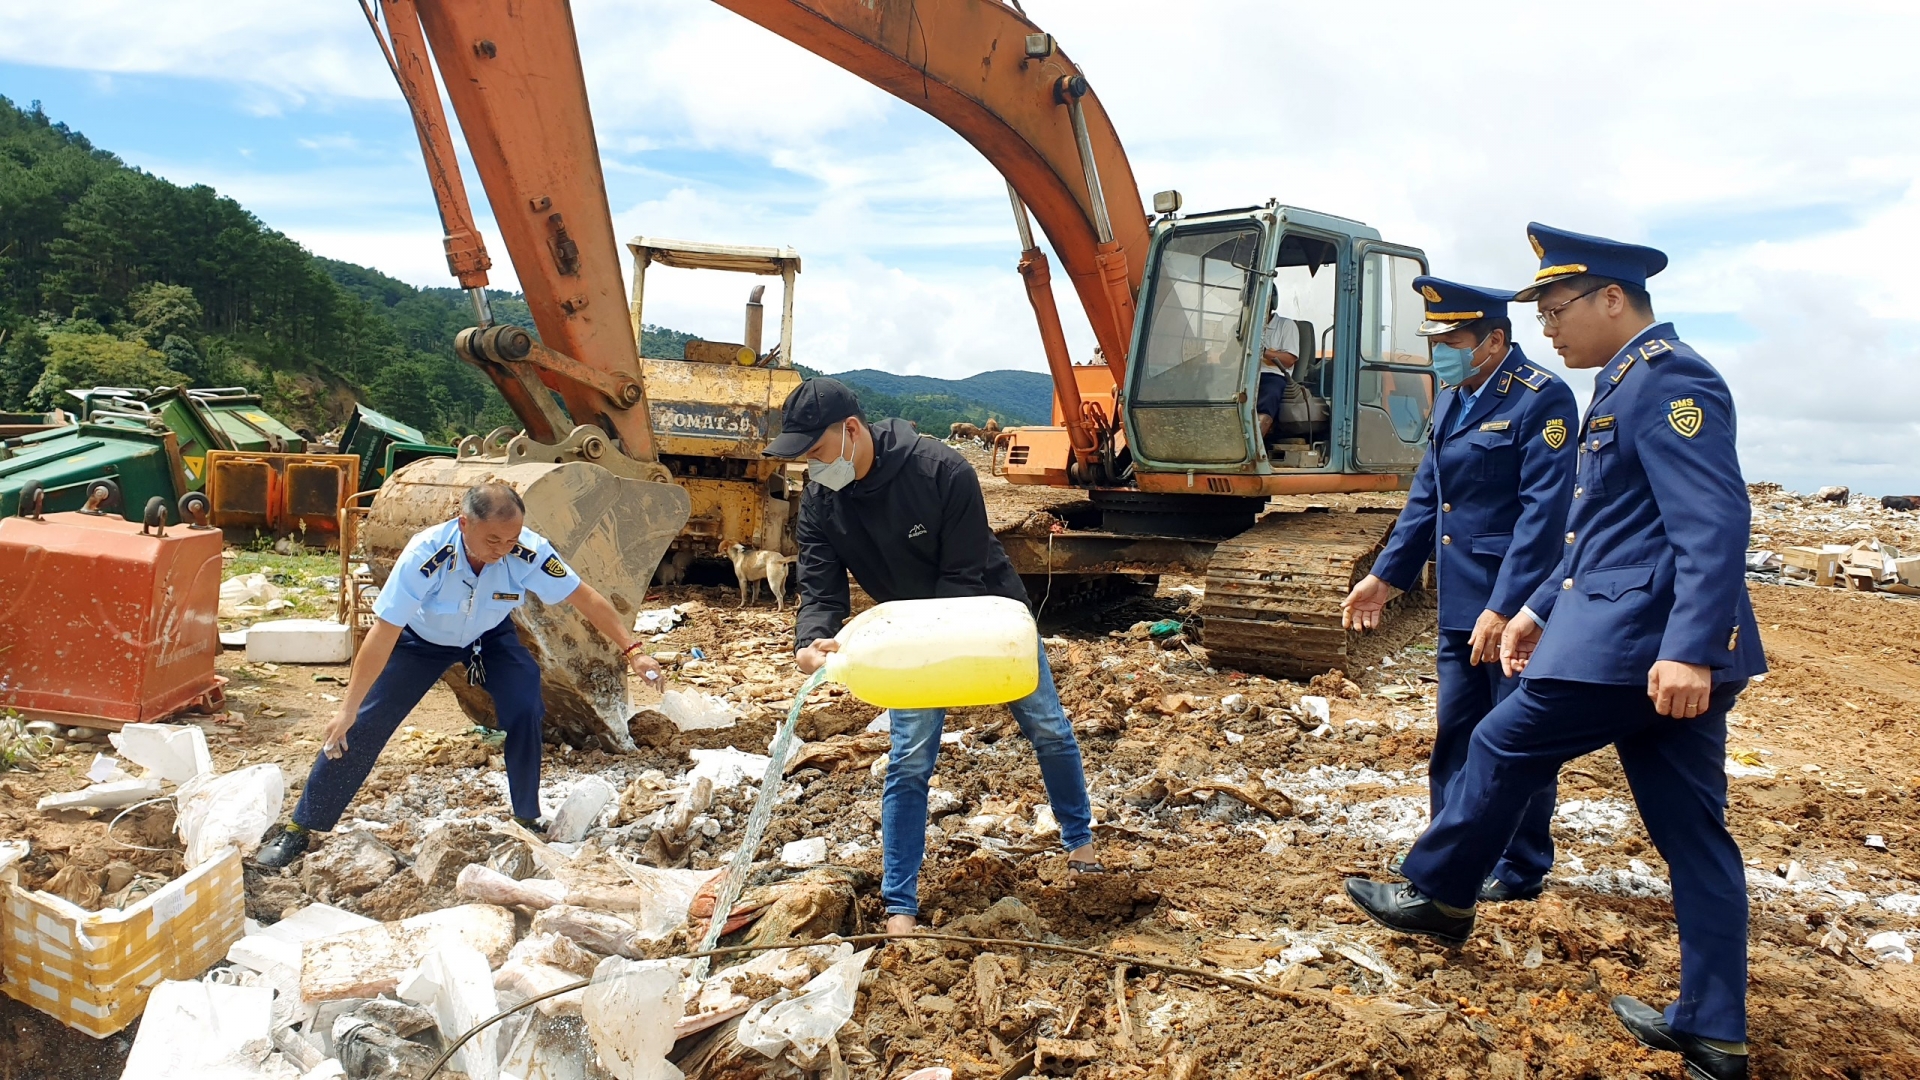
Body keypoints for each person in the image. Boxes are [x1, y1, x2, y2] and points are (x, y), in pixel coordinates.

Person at [1343, 224, 1766, 1080]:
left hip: (1637, 651)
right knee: (1694, 837)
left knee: (1498, 743)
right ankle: (1714, 1030)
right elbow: (1597, 529)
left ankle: (1441, 894)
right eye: (1538, 311)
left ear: (1614, 299)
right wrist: (1537, 606)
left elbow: (1713, 524)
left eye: (1556, 306)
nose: (1547, 325)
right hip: (1626, 643)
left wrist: (1690, 649)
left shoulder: (1671, 383)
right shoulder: (1619, 386)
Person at [763, 377, 1102, 939]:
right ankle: (901, 908)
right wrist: (812, 638)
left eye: (816, 452)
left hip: (987, 613)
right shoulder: (822, 500)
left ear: (851, 432)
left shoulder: (941, 470)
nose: (812, 468)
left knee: (1047, 726)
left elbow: (963, 574)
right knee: (910, 758)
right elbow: (821, 588)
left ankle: (1080, 842)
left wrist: (922, 645)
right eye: (802, 459)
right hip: (909, 631)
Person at [255, 482, 663, 868]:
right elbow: (383, 633)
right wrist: (347, 707)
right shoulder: (426, 554)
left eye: (511, 539)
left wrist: (634, 651)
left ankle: (526, 817)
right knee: (362, 725)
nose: (503, 550)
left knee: (526, 707)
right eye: (492, 541)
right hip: (422, 641)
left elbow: (584, 597)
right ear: (463, 523)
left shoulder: (530, 551)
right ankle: (301, 826)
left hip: (489, 639)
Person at [1342, 276, 1576, 903]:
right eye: (1434, 340)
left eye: (1451, 340)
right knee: (1455, 734)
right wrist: (1385, 576)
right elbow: (1428, 499)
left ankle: (1521, 865)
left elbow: (1543, 517)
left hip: (1510, 607)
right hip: (1459, 603)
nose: (1438, 351)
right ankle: (1450, 853)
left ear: (1494, 340)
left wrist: (1507, 607)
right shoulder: (1452, 396)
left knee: (1512, 740)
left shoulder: (1542, 399)